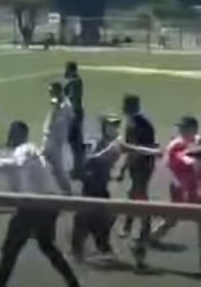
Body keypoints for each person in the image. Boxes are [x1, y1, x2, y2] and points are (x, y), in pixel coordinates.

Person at [0, 121, 81, 287]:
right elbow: (13, 166)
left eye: (13, 132)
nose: (10, 136)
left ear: (20, 135)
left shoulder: (24, 149)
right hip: (49, 203)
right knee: (46, 245)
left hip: (34, 205)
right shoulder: (29, 151)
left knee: (11, 249)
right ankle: (73, 283)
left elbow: (18, 164)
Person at [71, 115, 122, 262]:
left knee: (104, 217)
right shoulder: (97, 144)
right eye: (111, 126)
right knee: (85, 219)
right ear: (104, 128)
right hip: (92, 188)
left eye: (116, 126)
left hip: (101, 188)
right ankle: (83, 250)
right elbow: (88, 162)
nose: (115, 129)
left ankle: (99, 245)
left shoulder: (113, 144)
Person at [118, 94, 157, 270]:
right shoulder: (141, 122)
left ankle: (144, 229)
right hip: (143, 165)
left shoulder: (134, 124)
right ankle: (130, 225)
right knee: (134, 194)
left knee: (139, 196)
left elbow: (132, 149)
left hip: (140, 166)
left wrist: (123, 168)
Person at [150, 116, 201, 244]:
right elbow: (186, 161)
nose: (181, 131)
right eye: (181, 128)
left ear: (194, 129)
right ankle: (150, 238)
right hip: (180, 186)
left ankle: (151, 237)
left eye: (185, 128)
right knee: (174, 217)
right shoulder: (176, 145)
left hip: (192, 186)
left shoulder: (197, 141)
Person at [42, 82, 74, 195]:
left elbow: (66, 121)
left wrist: (56, 107)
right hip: (50, 140)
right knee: (41, 163)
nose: (50, 94)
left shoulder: (65, 106)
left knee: (58, 170)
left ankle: (68, 192)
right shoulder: (59, 104)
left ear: (58, 91)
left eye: (51, 91)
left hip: (56, 142)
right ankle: (41, 188)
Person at [63, 62, 86, 178]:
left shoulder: (74, 82)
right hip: (76, 113)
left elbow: (72, 98)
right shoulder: (76, 81)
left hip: (74, 114)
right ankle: (78, 167)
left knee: (75, 144)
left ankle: (79, 169)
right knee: (75, 143)